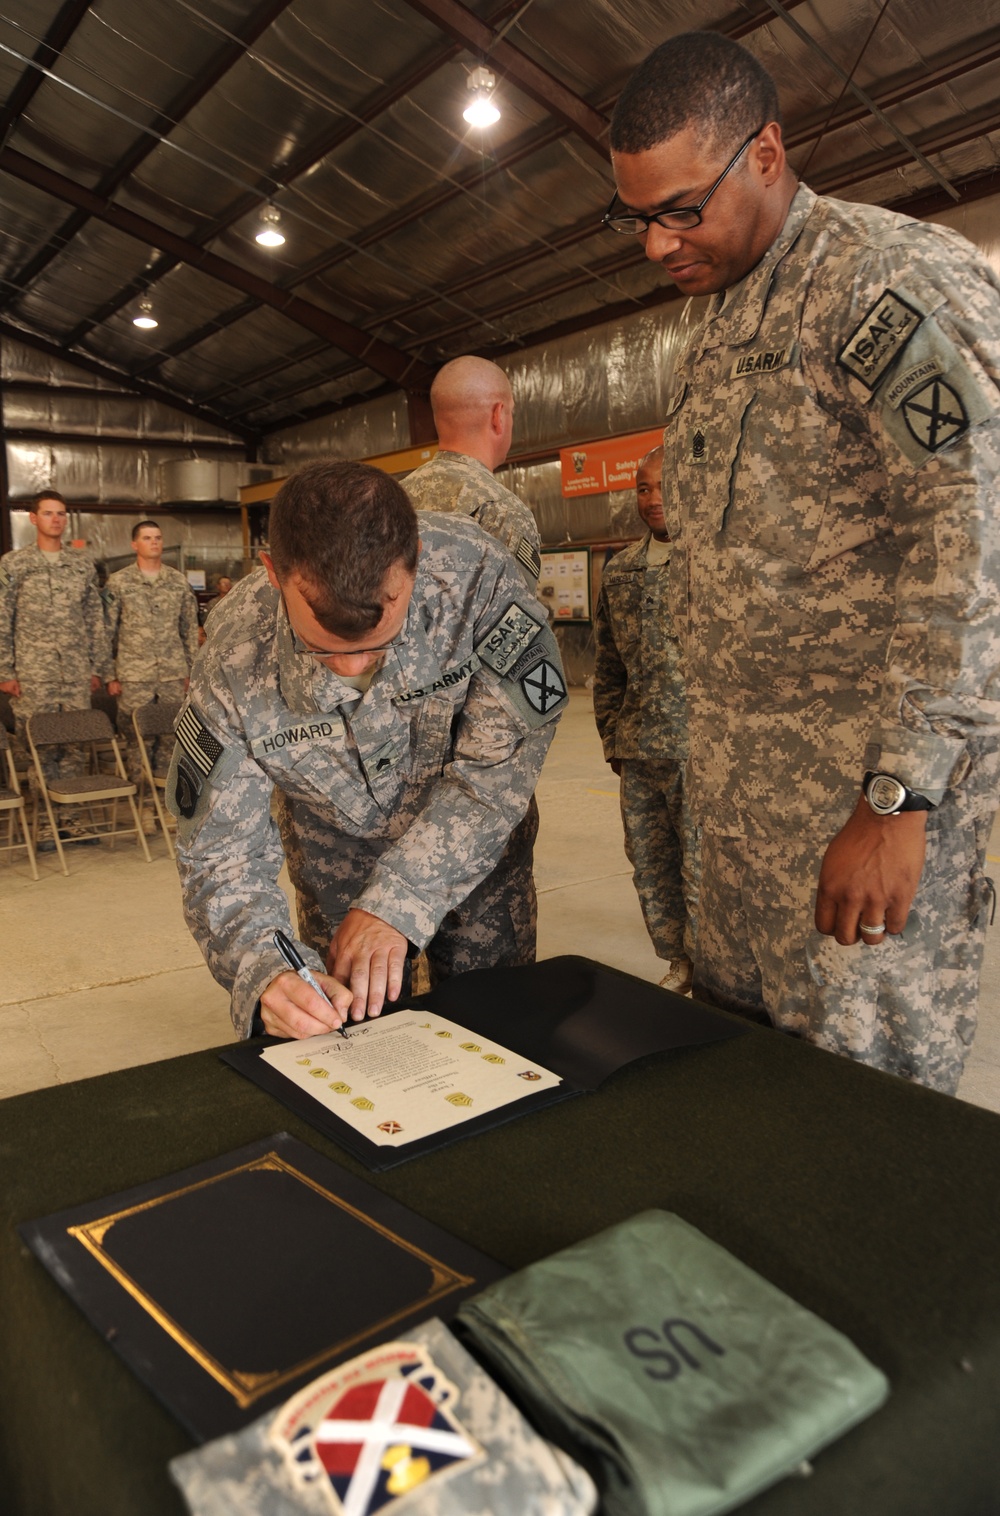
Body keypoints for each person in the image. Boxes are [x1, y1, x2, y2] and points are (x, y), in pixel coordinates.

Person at [607, 31, 1000, 1093]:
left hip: (855, 824)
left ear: (766, 153)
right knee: (751, 1115)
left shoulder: (884, 283)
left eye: (680, 208)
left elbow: (976, 529)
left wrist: (898, 797)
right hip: (736, 827)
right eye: (637, 216)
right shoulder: (719, 324)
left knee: (862, 1128)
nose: (656, 244)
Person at [169, 459, 567, 1040]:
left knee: (500, 1033)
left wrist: (400, 896)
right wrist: (265, 966)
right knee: (353, 1047)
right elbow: (218, 853)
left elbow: (495, 771)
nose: (352, 668)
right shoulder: (233, 657)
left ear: (417, 558)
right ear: (274, 572)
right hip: (336, 865)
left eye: (379, 643)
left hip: (480, 859)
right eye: (321, 649)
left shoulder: (478, 579)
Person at [593, 445, 699, 994]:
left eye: (662, 485)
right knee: (653, 865)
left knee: (702, 868)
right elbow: (608, 664)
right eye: (642, 488)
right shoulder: (622, 570)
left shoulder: (712, 563)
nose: (652, 499)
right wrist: (613, 736)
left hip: (699, 752)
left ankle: (717, 972)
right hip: (640, 750)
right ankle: (679, 961)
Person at [0, 490, 111, 834]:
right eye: (49, 513)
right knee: (39, 748)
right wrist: (5, 670)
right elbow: (3, 617)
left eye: (61, 513)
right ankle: (45, 822)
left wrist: (97, 668)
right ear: (33, 519)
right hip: (32, 674)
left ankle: (71, 819)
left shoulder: (81, 564)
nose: (56, 519)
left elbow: (95, 618)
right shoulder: (14, 564)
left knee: (75, 746)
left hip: (76, 673)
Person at [403, 355, 542, 588]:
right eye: (511, 412)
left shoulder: (393, 498)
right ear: (498, 416)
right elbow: (518, 616)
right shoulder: (500, 510)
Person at [104, 519, 200, 787]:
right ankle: (141, 796)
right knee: (137, 739)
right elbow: (105, 631)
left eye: (157, 537)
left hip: (172, 673)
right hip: (135, 675)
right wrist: (109, 674)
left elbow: (189, 631)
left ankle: (166, 800)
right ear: (134, 544)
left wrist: (191, 672)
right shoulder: (118, 582)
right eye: (147, 538)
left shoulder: (178, 582)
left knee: (171, 736)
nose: (154, 542)